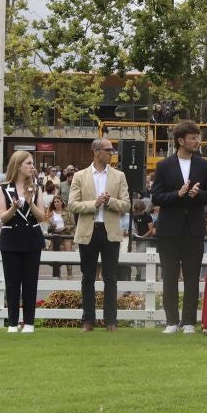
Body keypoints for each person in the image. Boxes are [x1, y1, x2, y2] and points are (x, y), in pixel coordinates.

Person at [150, 121, 207, 333]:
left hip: (194, 228)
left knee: (192, 276)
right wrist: (177, 195)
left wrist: (198, 195)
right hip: (169, 229)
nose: (197, 141)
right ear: (180, 140)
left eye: (198, 137)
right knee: (169, 275)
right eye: (193, 137)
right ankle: (171, 321)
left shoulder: (204, 165)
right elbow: (156, 196)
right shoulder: (164, 166)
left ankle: (188, 322)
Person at [68, 137, 130, 332]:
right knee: (88, 277)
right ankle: (88, 320)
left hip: (110, 231)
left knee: (110, 277)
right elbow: (72, 204)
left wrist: (109, 201)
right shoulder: (80, 176)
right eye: (108, 149)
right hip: (89, 230)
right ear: (96, 151)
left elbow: (126, 205)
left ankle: (110, 321)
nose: (112, 152)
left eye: (112, 149)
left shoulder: (119, 176)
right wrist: (93, 204)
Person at [0, 148, 50, 333]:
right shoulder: (3, 188)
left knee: (30, 282)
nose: (32, 167)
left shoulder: (36, 188)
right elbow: (2, 217)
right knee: (12, 284)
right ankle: (12, 323)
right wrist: (14, 207)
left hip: (32, 239)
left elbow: (42, 217)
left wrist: (31, 202)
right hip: (11, 239)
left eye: (32, 163)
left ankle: (29, 323)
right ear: (18, 166)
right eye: (29, 163)